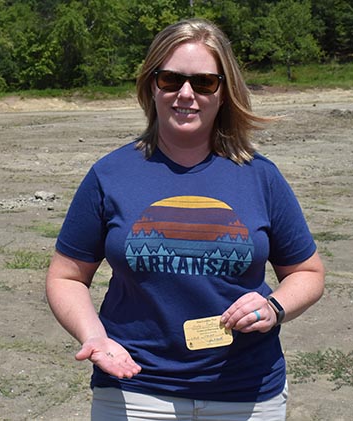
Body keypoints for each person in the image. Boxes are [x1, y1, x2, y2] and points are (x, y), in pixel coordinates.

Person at [46, 18, 325, 420]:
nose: (186, 94)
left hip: (245, 391)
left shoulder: (260, 176)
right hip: (134, 387)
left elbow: (307, 272)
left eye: (204, 82)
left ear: (224, 92)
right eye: (171, 79)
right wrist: (95, 336)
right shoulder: (110, 174)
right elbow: (66, 276)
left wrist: (274, 307)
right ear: (151, 85)